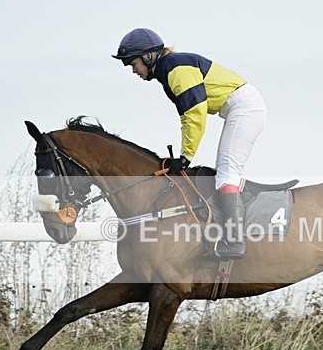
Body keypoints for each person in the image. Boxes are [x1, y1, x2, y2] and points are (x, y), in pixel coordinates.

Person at [113, 28, 266, 260]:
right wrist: (184, 154)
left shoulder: (175, 69)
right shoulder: (169, 71)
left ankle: (235, 242)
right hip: (240, 107)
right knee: (225, 173)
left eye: (133, 63)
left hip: (245, 108)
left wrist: (185, 157)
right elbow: (187, 118)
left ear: (148, 56)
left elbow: (195, 114)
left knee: (227, 175)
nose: (133, 70)